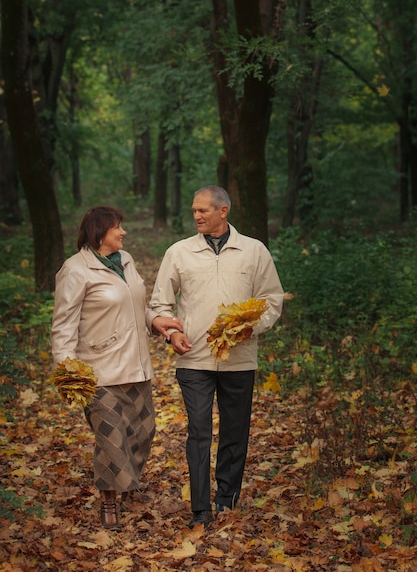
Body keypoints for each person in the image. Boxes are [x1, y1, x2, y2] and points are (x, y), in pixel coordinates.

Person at [149, 186, 284, 528]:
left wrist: (252, 328)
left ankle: (227, 500)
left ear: (223, 211)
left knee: (235, 432)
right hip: (194, 358)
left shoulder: (253, 251)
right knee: (198, 432)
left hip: (239, 359)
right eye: (194, 210)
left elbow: (271, 299)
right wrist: (172, 332)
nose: (196, 216)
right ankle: (200, 509)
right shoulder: (179, 252)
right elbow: (160, 304)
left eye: (203, 211)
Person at [51, 206, 183, 531]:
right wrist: (68, 372)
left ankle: (124, 483)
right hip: (97, 371)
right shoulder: (75, 269)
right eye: (117, 228)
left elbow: (137, 306)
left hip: (135, 366)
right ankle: (109, 500)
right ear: (99, 233)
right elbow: (63, 325)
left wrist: (156, 320)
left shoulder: (126, 261)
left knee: (144, 431)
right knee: (111, 437)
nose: (123, 232)